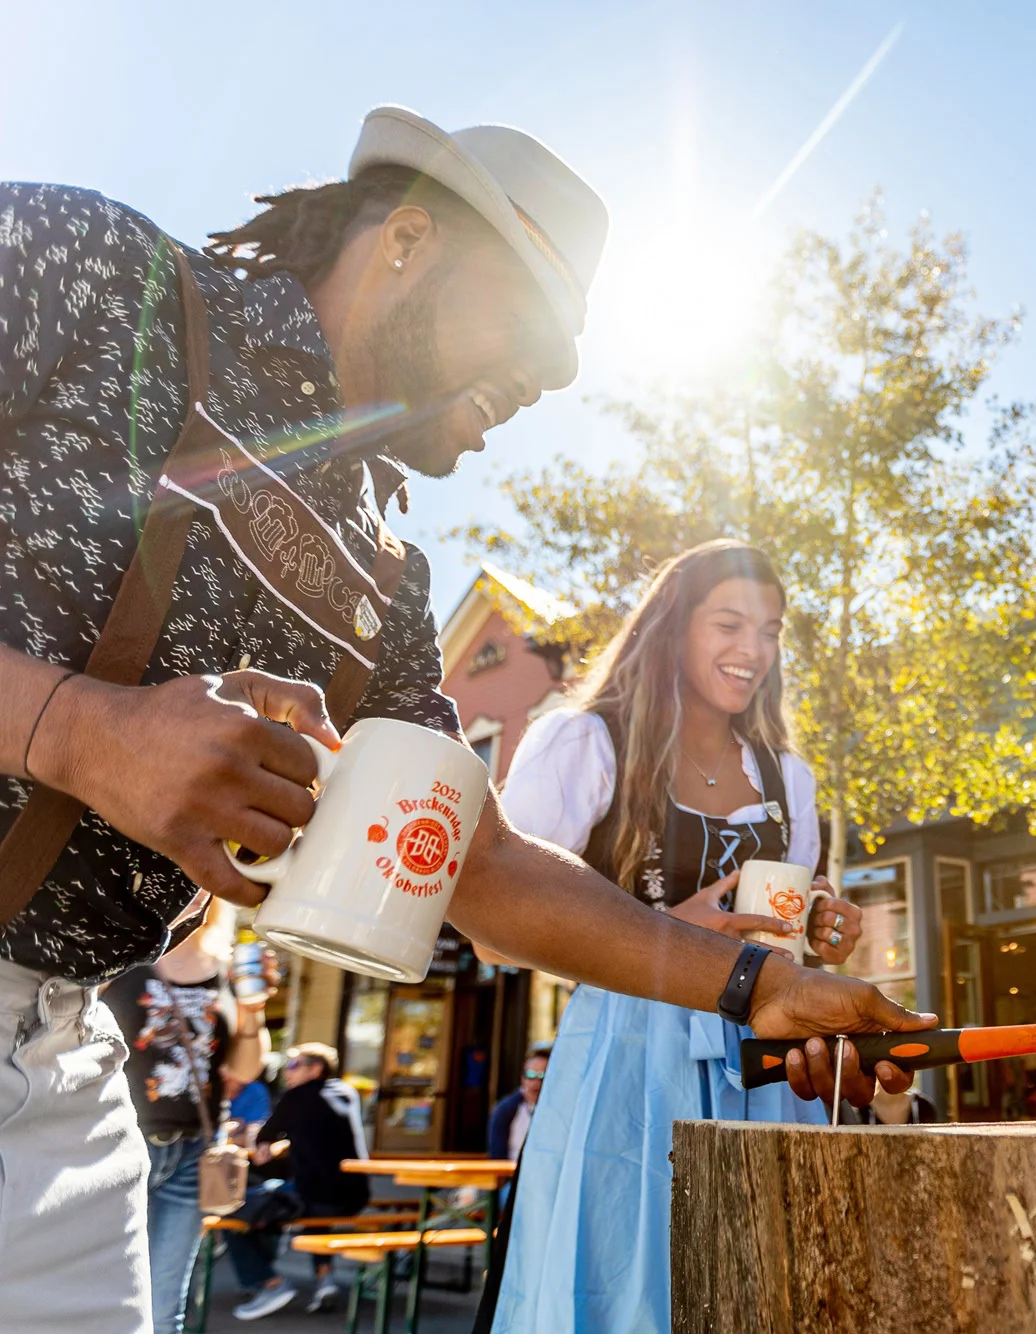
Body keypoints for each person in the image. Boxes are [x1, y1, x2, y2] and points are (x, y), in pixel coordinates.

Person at [0, 109, 926, 1329]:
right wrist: (72, 726)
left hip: (60, 1067)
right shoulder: (94, 264)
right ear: (409, 240)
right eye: (529, 329)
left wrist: (754, 981)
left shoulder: (387, 572)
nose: (538, 386)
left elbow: (478, 862)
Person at [492, 540, 896, 1332]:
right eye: (730, 624)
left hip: (765, 1057)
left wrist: (819, 928)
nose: (754, 651)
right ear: (675, 627)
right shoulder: (583, 742)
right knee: (626, 1283)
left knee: (771, 1282)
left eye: (771, 631)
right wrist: (670, 933)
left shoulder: (788, 775)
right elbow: (498, 935)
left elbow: (783, 939)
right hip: (628, 1058)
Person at [102, 900, 270, 1334]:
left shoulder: (225, 963)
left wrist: (254, 1008)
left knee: (161, 1309)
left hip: (196, 1152)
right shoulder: (124, 948)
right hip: (117, 1143)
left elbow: (245, 1070)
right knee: (96, 1293)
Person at [224, 1044, 371, 1319]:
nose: (287, 1073)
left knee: (232, 1212)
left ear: (316, 1069)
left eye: (294, 1066)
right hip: (356, 1196)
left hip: (313, 1194)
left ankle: (271, 1283)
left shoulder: (296, 1098)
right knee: (297, 1202)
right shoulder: (347, 1093)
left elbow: (264, 1137)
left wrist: (269, 1144)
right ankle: (324, 1280)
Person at [488, 1045, 550, 1164]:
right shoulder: (506, 1110)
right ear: (522, 1078)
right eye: (531, 1076)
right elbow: (497, 1155)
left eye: (542, 1077)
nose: (536, 1083)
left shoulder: (560, 1114)